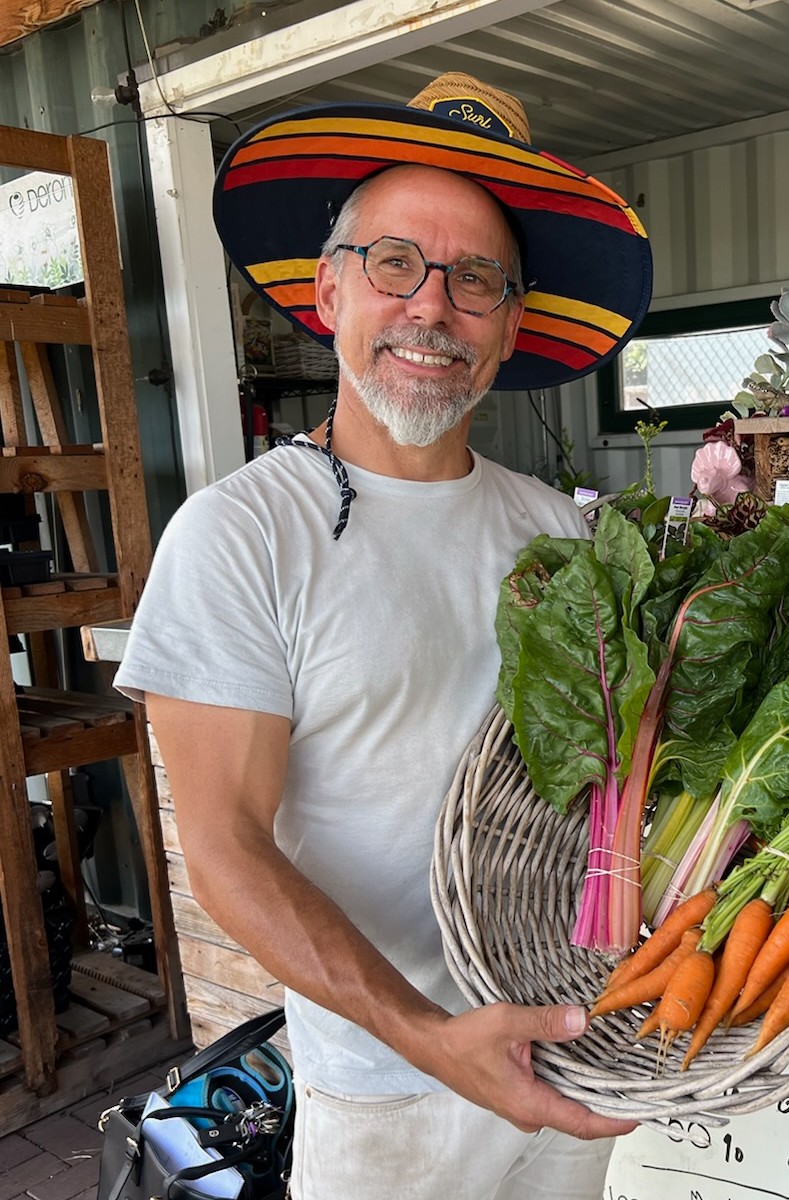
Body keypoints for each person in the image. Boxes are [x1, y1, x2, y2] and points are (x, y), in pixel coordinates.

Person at [114, 72, 653, 1199]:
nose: (431, 308)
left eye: (474, 280)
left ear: (509, 329)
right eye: (395, 262)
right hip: (391, 1078)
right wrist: (425, 1035)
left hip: (576, 1037)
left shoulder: (558, 530)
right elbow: (226, 852)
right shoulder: (241, 536)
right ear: (328, 291)